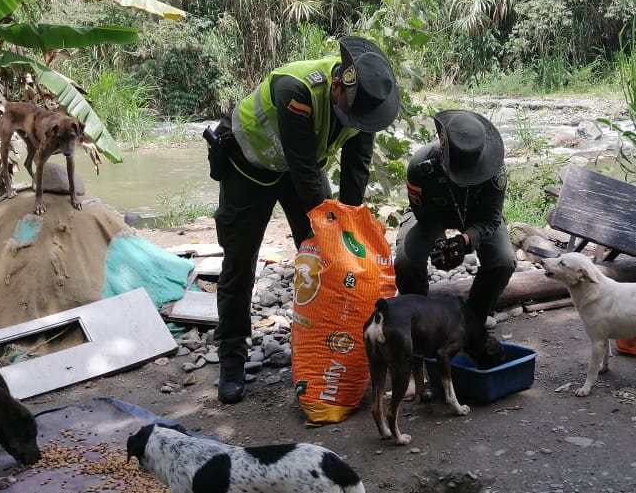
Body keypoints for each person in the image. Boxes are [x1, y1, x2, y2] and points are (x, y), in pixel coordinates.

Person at [204, 36, 400, 405]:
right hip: (248, 167)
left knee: (329, 260)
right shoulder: (296, 89)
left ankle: (329, 346)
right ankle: (232, 359)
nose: (357, 122)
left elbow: (356, 169)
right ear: (339, 85)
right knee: (239, 264)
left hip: (302, 171)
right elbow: (303, 168)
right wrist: (332, 230)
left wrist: (349, 228)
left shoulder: (365, 104)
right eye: (351, 111)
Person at [394, 110, 515, 325]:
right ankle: (419, 321)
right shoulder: (420, 165)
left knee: (503, 261)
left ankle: (472, 321)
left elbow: (491, 219)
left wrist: (465, 240)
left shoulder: (495, 170)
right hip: (430, 215)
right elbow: (423, 214)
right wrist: (441, 242)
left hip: (476, 217)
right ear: (442, 153)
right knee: (406, 261)